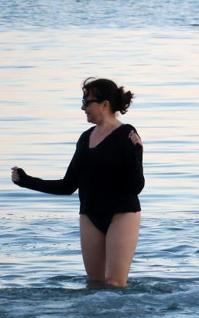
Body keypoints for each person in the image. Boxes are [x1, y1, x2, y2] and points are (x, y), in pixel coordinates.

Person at [11, 77, 144, 288]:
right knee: (95, 283)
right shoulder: (85, 138)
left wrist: (137, 152)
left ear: (105, 104)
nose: (83, 108)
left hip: (122, 213)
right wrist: (27, 181)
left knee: (115, 282)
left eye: (87, 102)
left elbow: (136, 187)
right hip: (90, 214)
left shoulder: (126, 134)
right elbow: (67, 186)